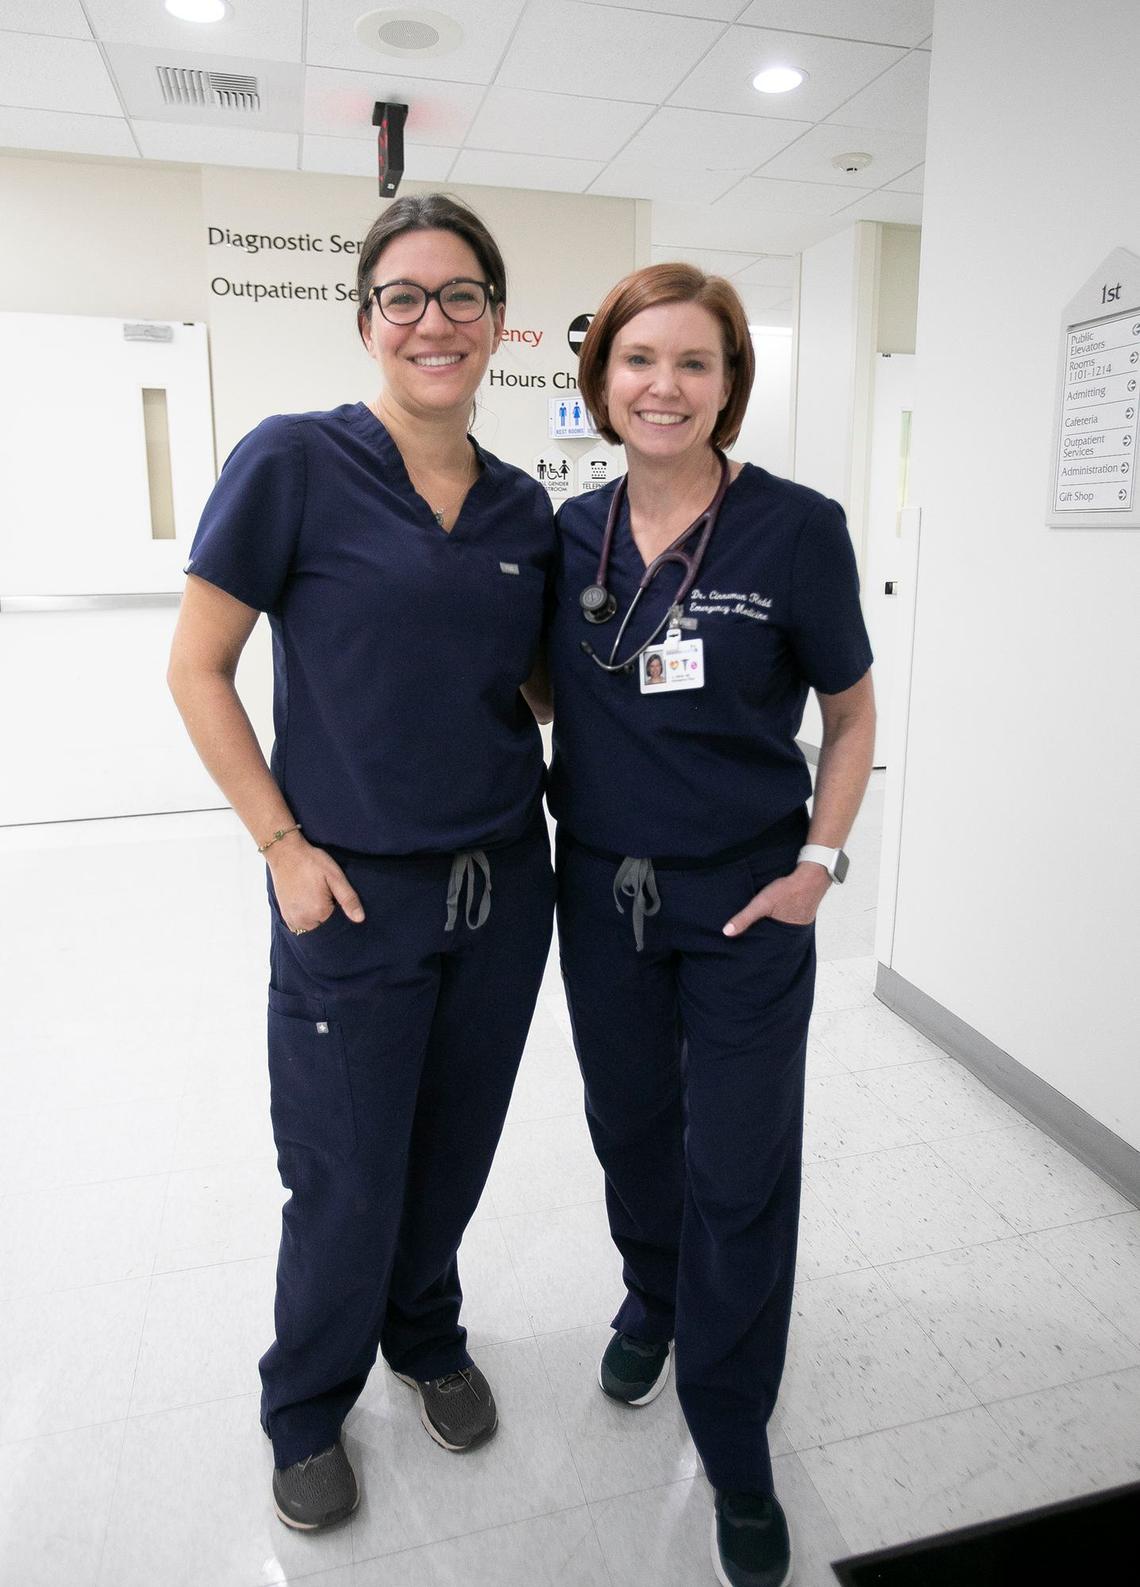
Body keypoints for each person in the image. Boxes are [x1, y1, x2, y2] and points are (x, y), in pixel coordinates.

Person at [167, 194, 555, 1532]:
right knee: (344, 1167)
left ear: (498, 324)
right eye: (405, 296)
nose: (433, 321)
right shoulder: (293, 462)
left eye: (460, 297)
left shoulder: (523, 507)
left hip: (503, 892)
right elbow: (197, 667)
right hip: (349, 893)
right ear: (366, 319)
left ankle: (425, 1334)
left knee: (452, 1153)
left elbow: (547, 690)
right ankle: (307, 1403)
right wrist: (278, 842)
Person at [546, 263, 875, 1587]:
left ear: (730, 384)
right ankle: (654, 1293)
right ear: (602, 380)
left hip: (747, 898)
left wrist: (820, 865)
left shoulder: (795, 531)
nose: (663, 387)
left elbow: (847, 717)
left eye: (693, 363)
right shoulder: (568, 533)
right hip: (603, 890)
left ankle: (733, 1433)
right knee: (630, 1128)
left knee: (738, 1165)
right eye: (639, 361)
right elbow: (536, 692)